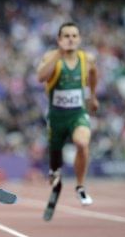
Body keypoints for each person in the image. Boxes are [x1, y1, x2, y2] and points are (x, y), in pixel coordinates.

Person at [36, 22, 99, 206]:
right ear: (59, 39)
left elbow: (94, 73)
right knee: (55, 158)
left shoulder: (87, 58)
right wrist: (58, 53)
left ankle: (80, 186)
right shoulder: (51, 56)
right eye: (66, 36)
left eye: (74, 36)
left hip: (77, 114)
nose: (70, 39)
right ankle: (54, 170)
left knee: (82, 142)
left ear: (79, 39)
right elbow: (40, 77)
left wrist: (93, 96)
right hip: (56, 116)